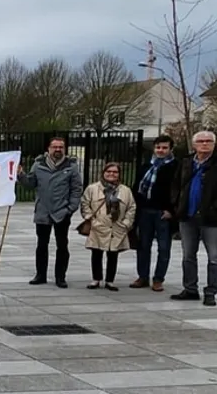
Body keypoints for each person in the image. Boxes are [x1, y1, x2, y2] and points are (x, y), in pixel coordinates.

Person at [16, 137, 83, 288]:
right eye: (55, 147)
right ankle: (40, 275)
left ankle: (60, 277)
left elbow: (77, 189)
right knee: (41, 245)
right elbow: (30, 184)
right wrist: (21, 175)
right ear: (49, 148)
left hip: (62, 212)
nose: (58, 149)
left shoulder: (71, 166)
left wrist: (70, 208)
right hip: (43, 211)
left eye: (61, 147)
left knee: (62, 245)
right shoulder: (38, 164)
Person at [171, 130, 217, 306]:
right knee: (188, 255)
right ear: (194, 144)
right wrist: (177, 205)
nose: (204, 144)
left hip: (211, 219)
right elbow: (176, 185)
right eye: (201, 141)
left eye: (208, 141)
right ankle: (190, 289)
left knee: (214, 257)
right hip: (187, 216)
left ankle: (211, 291)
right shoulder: (186, 162)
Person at [131, 135, 178, 292]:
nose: (161, 150)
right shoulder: (147, 166)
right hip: (144, 211)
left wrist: (171, 210)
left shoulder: (175, 167)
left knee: (163, 248)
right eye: (158, 147)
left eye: (164, 148)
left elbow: (179, 191)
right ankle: (142, 276)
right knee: (143, 246)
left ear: (171, 149)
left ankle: (158, 279)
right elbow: (137, 187)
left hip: (163, 213)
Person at [80, 163, 136, 291]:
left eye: (115, 172)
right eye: (109, 171)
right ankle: (96, 279)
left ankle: (110, 281)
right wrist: (91, 219)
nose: (111, 174)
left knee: (113, 254)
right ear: (103, 172)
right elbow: (85, 203)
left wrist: (126, 223)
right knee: (96, 253)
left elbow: (131, 207)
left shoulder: (125, 190)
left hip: (117, 226)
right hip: (98, 226)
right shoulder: (93, 188)